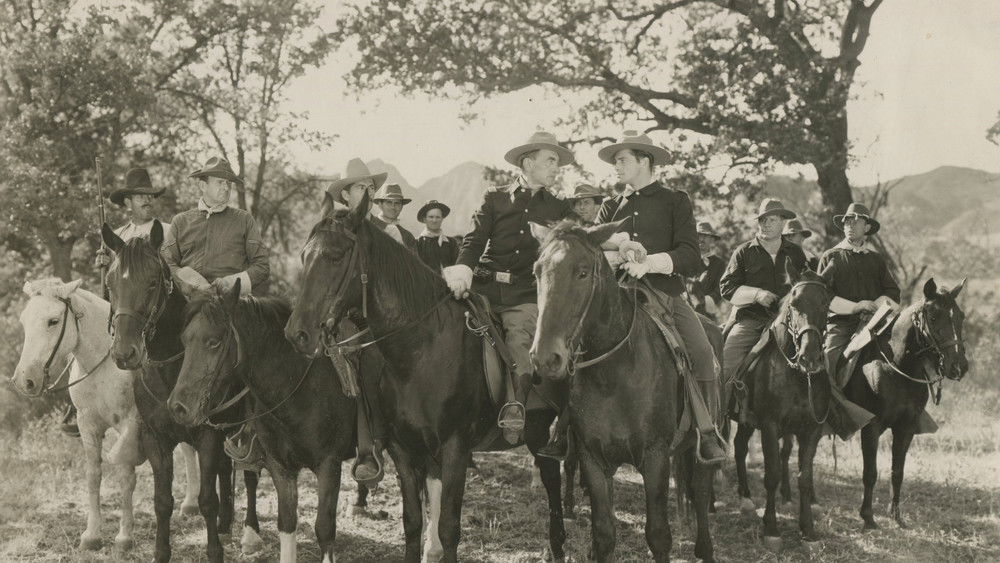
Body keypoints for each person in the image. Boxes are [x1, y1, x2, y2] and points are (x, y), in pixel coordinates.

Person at [593, 130, 726, 464]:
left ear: (644, 160)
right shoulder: (610, 206)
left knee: (702, 351)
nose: (616, 166)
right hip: (614, 296)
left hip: (664, 294)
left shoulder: (675, 201)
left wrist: (651, 262)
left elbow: (692, 257)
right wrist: (617, 256)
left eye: (621, 159)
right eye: (615, 161)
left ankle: (706, 432)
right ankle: (566, 430)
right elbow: (592, 252)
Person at [443, 131, 575, 444]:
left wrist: (617, 242)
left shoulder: (560, 209)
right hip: (485, 289)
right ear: (528, 163)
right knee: (449, 330)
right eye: (550, 160)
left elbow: (578, 241)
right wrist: (463, 269)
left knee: (519, 339)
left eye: (556, 161)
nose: (555, 167)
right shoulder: (495, 198)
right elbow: (475, 239)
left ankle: (515, 408)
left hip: (525, 295)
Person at [63, 168, 171, 438]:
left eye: (150, 196)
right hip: (126, 311)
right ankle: (80, 403)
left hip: (156, 311)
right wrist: (104, 263)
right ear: (127, 203)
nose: (147, 201)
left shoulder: (167, 232)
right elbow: (116, 282)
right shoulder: (117, 235)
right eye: (139, 196)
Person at [718, 199, 807, 423]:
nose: (766, 224)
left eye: (772, 220)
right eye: (763, 220)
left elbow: (806, 287)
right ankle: (714, 424)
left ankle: (821, 419)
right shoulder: (744, 252)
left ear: (783, 223)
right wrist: (757, 294)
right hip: (750, 321)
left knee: (817, 365)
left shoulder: (795, 253)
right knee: (724, 367)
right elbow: (726, 288)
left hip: (788, 324)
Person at [161, 156, 270, 297]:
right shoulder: (180, 221)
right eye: (220, 182)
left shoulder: (244, 220)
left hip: (232, 305)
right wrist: (191, 283)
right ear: (203, 186)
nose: (226, 188)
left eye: (228, 183)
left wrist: (229, 284)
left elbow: (262, 266)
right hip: (189, 305)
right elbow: (166, 263)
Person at [818, 203, 901, 384]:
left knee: (904, 357)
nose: (851, 225)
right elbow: (822, 296)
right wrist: (857, 306)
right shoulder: (830, 256)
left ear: (867, 227)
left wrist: (873, 305)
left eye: (856, 221)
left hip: (874, 324)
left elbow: (893, 294)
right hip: (840, 327)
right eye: (847, 221)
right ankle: (830, 408)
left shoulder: (876, 259)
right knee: (827, 363)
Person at [689, 221, 726, 319]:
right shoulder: (687, 260)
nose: (701, 239)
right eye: (698, 236)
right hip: (685, 308)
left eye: (705, 236)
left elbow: (720, 290)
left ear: (712, 240)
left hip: (707, 312)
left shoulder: (719, 264)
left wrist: (703, 301)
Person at [415, 200, 461, 272]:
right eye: (431, 217)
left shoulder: (452, 243)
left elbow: (457, 267)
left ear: (442, 219)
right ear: (425, 219)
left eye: (438, 217)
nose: (434, 220)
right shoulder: (417, 243)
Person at [371, 183, 418, 249]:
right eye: (389, 202)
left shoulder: (408, 237)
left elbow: (413, 259)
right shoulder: (369, 225)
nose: (393, 207)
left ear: (401, 207)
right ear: (380, 205)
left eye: (397, 203)